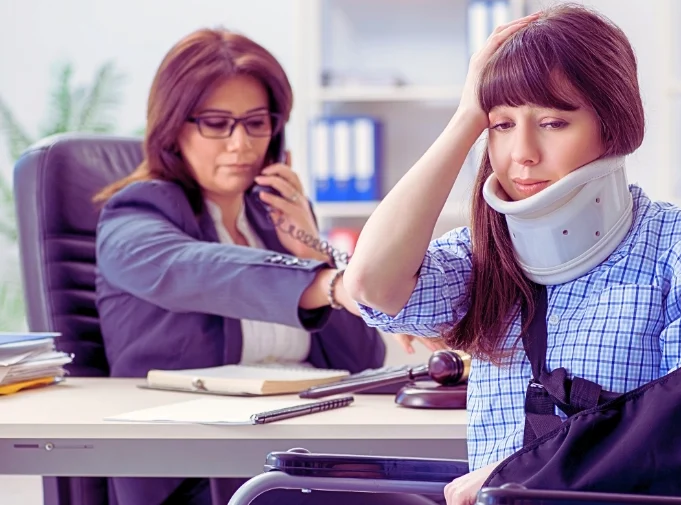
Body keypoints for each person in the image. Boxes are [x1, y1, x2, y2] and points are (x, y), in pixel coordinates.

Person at [344, 5, 681, 505]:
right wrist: (466, 117)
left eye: (554, 122)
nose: (523, 153)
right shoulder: (482, 255)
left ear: (612, 123)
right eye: (501, 125)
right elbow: (372, 283)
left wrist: (524, 472)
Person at [94, 28, 442, 505]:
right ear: (174, 127)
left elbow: (359, 360)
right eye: (217, 123)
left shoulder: (275, 215)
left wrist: (310, 248)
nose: (240, 144)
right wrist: (328, 282)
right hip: (198, 475)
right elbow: (198, 269)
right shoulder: (134, 215)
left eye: (256, 122)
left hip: (300, 458)